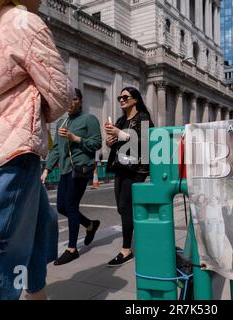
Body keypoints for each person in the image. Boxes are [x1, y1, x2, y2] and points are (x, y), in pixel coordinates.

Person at [0, 0, 74, 300]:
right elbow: (61, 93)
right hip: (15, 147)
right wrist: (37, 106)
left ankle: (37, 293)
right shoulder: (24, 23)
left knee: (38, 223)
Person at [41, 88, 102, 265]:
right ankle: (90, 225)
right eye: (67, 100)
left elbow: (96, 143)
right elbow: (55, 150)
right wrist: (47, 170)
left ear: (81, 101)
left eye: (74, 99)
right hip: (66, 171)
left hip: (80, 170)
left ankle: (72, 248)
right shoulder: (62, 122)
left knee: (71, 206)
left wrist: (75, 138)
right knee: (61, 207)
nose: (71, 103)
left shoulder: (89, 119)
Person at [105, 87, 154, 267]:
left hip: (136, 169)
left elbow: (144, 142)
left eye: (125, 97)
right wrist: (110, 142)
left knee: (126, 207)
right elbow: (119, 144)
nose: (121, 100)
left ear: (135, 99)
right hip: (121, 166)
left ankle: (126, 249)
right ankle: (143, 235)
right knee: (122, 207)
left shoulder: (142, 118)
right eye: (120, 97)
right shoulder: (120, 120)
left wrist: (120, 134)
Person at [204, 197, 226, 266]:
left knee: (220, 244)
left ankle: (220, 258)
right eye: (212, 200)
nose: (213, 201)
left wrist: (217, 220)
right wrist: (215, 220)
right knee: (213, 243)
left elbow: (223, 218)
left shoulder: (220, 207)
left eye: (215, 199)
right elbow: (207, 218)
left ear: (217, 201)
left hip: (220, 227)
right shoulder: (208, 207)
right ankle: (216, 259)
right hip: (211, 228)